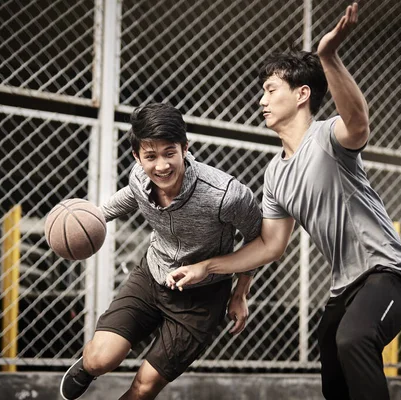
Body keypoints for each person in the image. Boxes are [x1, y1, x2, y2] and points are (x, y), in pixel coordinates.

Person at [166, 3, 401, 400]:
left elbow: (358, 122)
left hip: (389, 275)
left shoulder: (327, 138)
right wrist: (206, 268)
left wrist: (328, 56)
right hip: (344, 287)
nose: (261, 101)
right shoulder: (275, 174)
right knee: (333, 367)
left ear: (302, 94)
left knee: (355, 340)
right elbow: (270, 245)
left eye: (270, 90)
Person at [60, 102, 262, 400]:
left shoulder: (226, 195)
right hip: (152, 275)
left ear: (185, 148)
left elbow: (258, 238)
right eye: (150, 156)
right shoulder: (139, 177)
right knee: (100, 359)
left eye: (170, 153)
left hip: (202, 298)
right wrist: (94, 218)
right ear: (137, 156)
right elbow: (133, 195)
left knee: (144, 387)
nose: (162, 166)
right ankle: (87, 367)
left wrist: (240, 291)